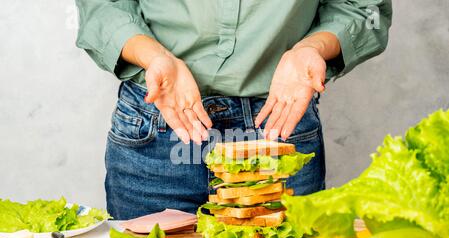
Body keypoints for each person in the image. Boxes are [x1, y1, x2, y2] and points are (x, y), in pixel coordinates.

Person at [75, 0, 392, 220]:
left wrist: (312, 49)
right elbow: (102, 6)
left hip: (276, 125)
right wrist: (154, 57)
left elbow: (362, 8)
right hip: (158, 122)